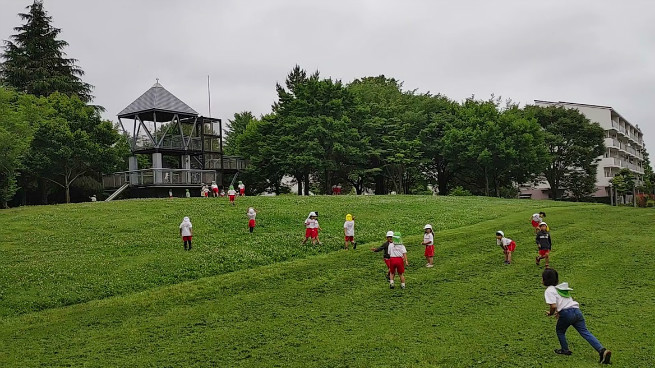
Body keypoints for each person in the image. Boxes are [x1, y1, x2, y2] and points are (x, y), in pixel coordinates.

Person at [542, 268, 611, 364]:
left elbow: (553, 305)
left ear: (545, 280)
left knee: (560, 331)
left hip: (566, 314)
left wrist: (552, 313)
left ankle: (565, 350)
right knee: (585, 332)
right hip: (576, 311)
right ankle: (602, 350)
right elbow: (564, 301)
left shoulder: (549, 290)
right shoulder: (561, 288)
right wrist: (559, 311)